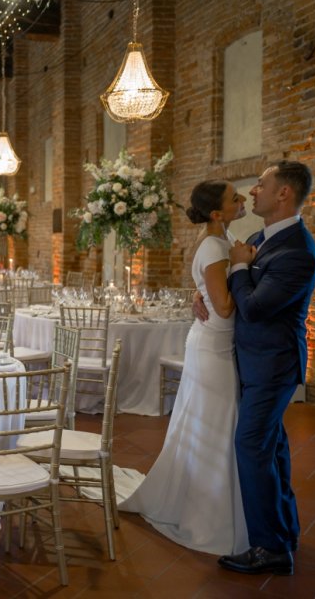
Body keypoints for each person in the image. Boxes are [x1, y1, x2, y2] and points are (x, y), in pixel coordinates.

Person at [118, 180, 249, 556]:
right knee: (213, 426)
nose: (242, 200)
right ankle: (206, 515)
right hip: (213, 348)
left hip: (215, 343)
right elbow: (224, 307)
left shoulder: (224, 239)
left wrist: (216, 281)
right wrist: (241, 268)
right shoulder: (214, 245)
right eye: (234, 198)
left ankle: (209, 503)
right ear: (216, 213)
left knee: (212, 423)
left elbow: (213, 294)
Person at [208, 160, 315, 576]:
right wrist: (209, 296)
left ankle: (269, 548)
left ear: (283, 194)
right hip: (255, 362)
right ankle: (285, 530)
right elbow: (237, 297)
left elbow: (253, 308)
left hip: (273, 365)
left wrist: (238, 266)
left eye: (260, 184)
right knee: (271, 448)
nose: (253, 191)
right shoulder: (261, 237)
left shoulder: (297, 252)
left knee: (251, 445)